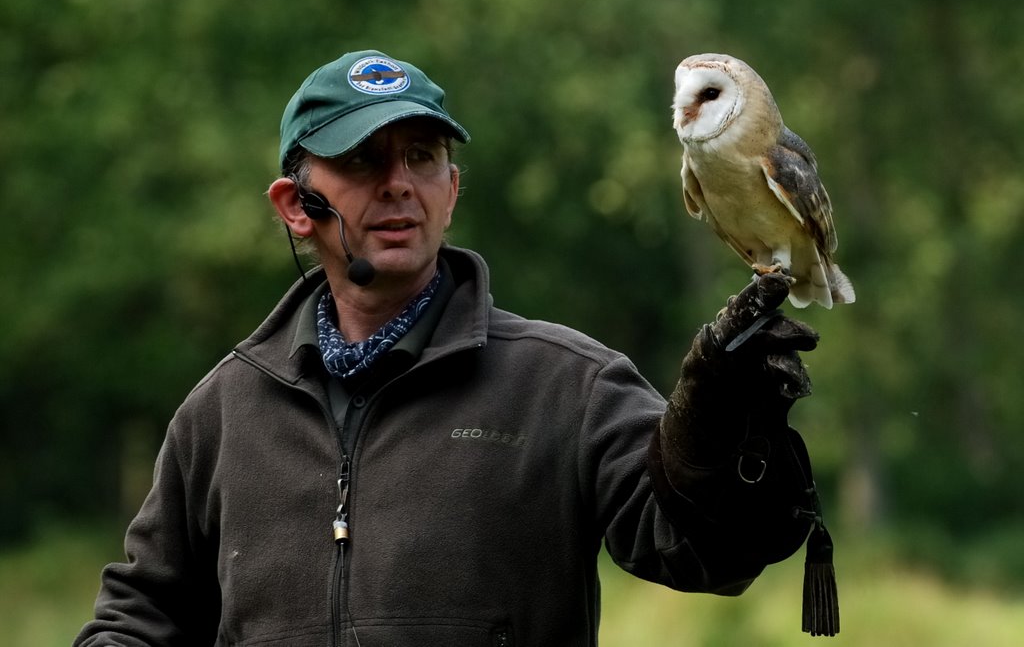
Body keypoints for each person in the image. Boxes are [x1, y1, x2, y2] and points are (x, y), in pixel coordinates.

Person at [75, 49, 836, 646]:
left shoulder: (565, 385)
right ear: (295, 207)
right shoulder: (222, 414)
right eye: (363, 161)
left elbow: (706, 552)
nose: (398, 183)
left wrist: (725, 434)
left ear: (452, 190)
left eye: (422, 157)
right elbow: (143, 618)